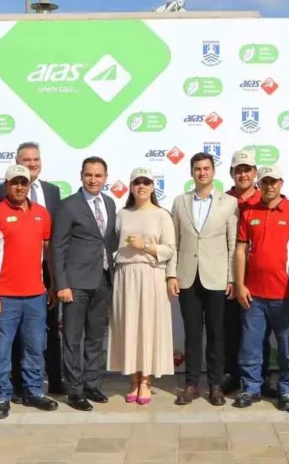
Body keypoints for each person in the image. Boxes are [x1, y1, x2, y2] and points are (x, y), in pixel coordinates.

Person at [0, 164, 59, 419]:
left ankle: (33, 391)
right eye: (14, 182)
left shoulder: (41, 214)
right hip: (4, 296)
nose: (19, 187)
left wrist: (53, 284)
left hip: (36, 294)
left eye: (23, 183)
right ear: (6, 185)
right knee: (2, 351)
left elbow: (48, 254)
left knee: (35, 348)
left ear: (29, 185)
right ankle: (2, 396)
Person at [168, 152, 239, 406]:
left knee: (217, 334)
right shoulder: (179, 202)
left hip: (217, 277)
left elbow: (232, 244)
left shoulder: (228, 203)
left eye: (206, 168)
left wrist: (232, 277)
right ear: (191, 172)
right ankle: (191, 384)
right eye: (197, 169)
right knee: (192, 333)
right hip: (188, 277)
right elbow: (173, 242)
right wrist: (172, 273)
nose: (202, 173)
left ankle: (215, 385)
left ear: (213, 171)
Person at [52, 156, 119, 411]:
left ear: (105, 177)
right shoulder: (69, 206)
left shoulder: (110, 204)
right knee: (72, 339)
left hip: (103, 280)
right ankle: (75, 389)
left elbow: (109, 241)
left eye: (98, 175)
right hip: (75, 284)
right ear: (81, 176)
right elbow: (57, 248)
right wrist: (62, 284)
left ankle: (91, 383)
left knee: (94, 338)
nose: (93, 180)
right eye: (89, 175)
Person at [233, 166, 289, 410]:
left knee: (286, 347)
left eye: (273, 182)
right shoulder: (250, 212)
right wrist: (240, 284)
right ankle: (251, 388)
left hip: (285, 293)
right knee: (250, 345)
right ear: (258, 185)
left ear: (281, 183)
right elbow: (240, 250)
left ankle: (287, 389)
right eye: (265, 182)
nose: (269, 186)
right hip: (254, 294)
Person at [110, 167, 177, 403]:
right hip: (126, 275)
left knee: (148, 327)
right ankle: (133, 380)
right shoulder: (122, 214)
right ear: (130, 186)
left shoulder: (162, 215)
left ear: (152, 186)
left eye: (146, 182)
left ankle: (146, 380)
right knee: (129, 327)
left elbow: (169, 249)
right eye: (137, 182)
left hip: (151, 275)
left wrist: (146, 247)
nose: (142, 186)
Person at [223, 149, 265, 396]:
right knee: (230, 327)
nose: (243, 174)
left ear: (255, 172)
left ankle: (260, 376)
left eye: (247, 169)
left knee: (261, 331)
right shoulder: (223, 200)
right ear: (231, 173)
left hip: (259, 275)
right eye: (238, 170)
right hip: (228, 275)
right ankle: (232, 374)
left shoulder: (267, 197)